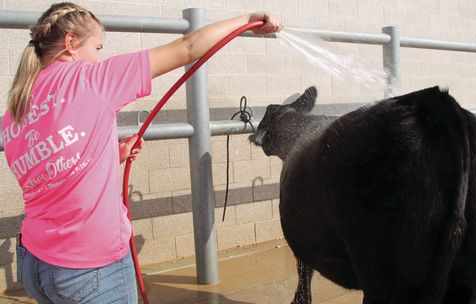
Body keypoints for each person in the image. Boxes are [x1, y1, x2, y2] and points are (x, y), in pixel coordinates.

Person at [1, 2, 283, 303]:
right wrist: (246, 19)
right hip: (88, 266)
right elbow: (188, 47)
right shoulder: (91, 79)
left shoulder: (16, 107)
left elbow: (49, 171)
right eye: (97, 47)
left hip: (36, 265)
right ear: (71, 43)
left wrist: (113, 155)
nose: (99, 57)